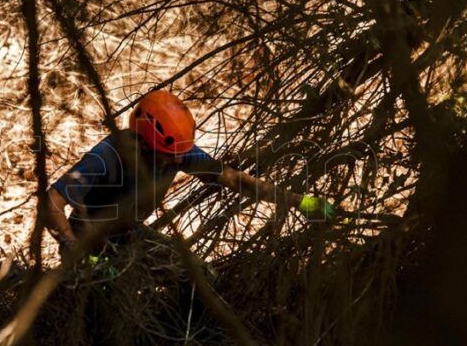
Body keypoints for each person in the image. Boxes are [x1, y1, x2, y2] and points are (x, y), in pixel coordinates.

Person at [46, 89, 333, 261]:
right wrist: (74, 250)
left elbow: (233, 179)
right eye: (171, 156)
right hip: (88, 247)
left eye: (183, 153)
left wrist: (299, 201)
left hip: (129, 237)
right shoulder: (106, 156)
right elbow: (53, 201)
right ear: (146, 143)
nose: (180, 161)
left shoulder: (177, 151)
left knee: (192, 274)